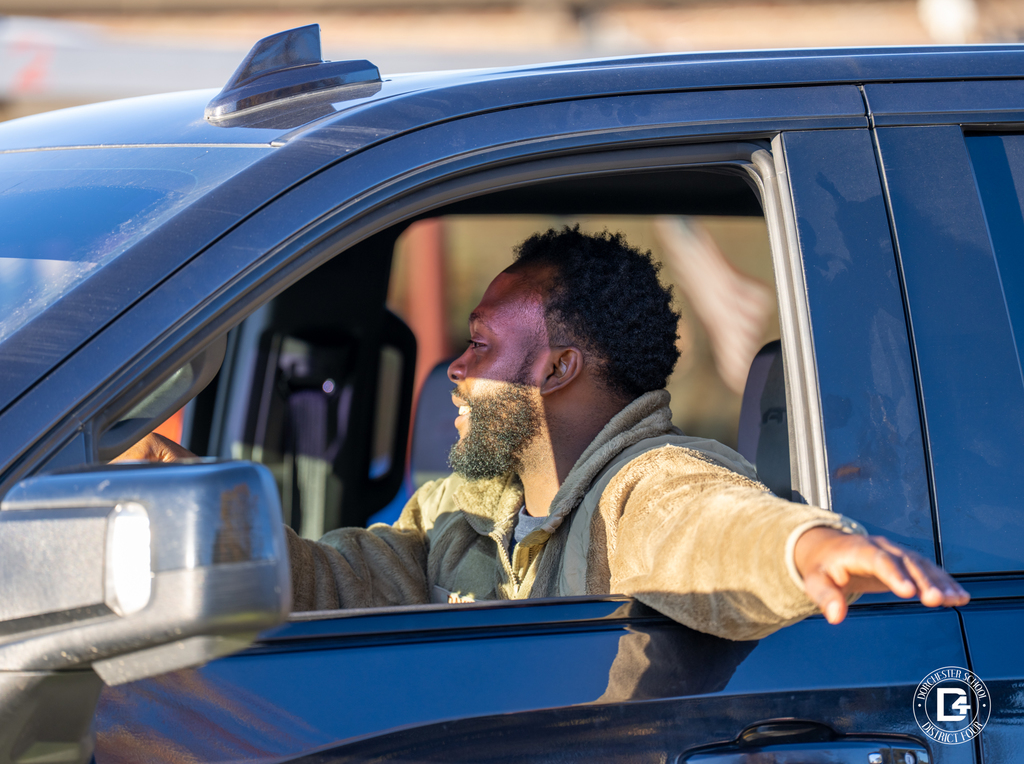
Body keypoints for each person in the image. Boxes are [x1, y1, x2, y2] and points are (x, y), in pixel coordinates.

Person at [121, 226, 968, 641]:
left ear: (557, 369)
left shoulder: (643, 485)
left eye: (481, 345)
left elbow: (710, 526)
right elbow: (340, 583)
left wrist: (808, 549)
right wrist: (169, 482)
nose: (453, 369)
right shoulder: (463, 508)